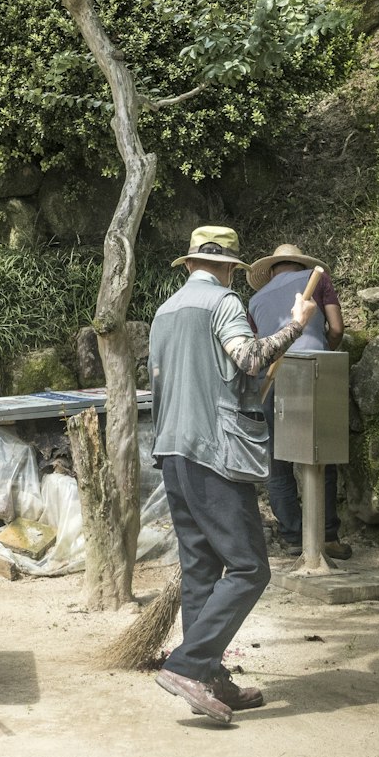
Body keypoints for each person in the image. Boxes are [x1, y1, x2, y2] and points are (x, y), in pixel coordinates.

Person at [148, 224, 317, 725]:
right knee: (248, 568)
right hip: (213, 454)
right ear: (229, 268)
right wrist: (296, 324)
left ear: (192, 262)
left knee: (202, 569)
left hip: (172, 453)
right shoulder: (222, 303)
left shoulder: (163, 312)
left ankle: (211, 678)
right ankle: (187, 666)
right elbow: (249, 359)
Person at [246, 244, 352, 561]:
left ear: (272, 270)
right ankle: (327, 537)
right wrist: (327, 350)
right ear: (299, 263)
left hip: (270, 380)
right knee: (322, 455)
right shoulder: (317, 278)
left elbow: (256, 347)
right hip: (313, 370)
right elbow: (337, 328)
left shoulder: (254, 299)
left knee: (277, 463)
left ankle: (294, 537)